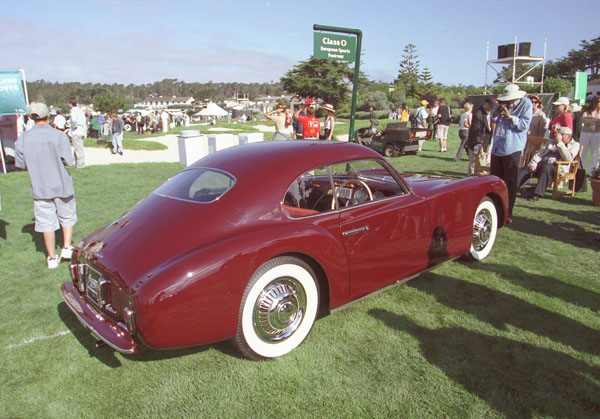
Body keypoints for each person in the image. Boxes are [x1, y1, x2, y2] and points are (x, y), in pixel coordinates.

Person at [14, 102, 77, 269]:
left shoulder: (23, 139)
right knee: (67, 215)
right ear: (48, 116)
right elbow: (68, 161)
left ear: (31, 117)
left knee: (45, 221)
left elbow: (20, 164)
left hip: (39, 185)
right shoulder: (58, 135)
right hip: (61, 182)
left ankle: (51, 257)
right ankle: (66, 247)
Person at [490, 84, 533, 220]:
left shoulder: (526, 104)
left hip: (512, 147)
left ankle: (507, 213)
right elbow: (492, 118)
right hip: (497, 147)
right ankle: (495, 209)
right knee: (495, 180)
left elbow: (523, 126)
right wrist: (497, 111)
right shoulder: (502, 103)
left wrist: (510, 116)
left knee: (509, 182)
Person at [517, 126, 580, 201]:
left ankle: (537, 195)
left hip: (557, 166)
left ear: (569, 136)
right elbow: (540, 153)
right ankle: (513, 188)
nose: (559, 136)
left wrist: (560, 143)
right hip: (543, 163)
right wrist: (533, 163)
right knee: (527, 167)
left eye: (562, 135)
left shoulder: (575, 145)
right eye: (559, 134)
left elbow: (568, 158)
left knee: (546, 168)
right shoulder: (552, 141)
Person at [465, 98, 494, 176]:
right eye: (491, 106)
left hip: (485, 141)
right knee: (474, 162)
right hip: (476, 141)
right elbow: (475, 131)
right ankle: (470, 179)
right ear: (486, 104)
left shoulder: (492, 113)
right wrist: (478, 143)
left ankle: (481, 178)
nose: (492, 108)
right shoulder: (478, 114)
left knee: (482, 162)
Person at [580, 96, 600, 173]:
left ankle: (593, 171)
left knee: (595, 153)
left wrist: (591, 120)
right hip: (586, 133)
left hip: (597, 133)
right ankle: (582, 170)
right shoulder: (587, 111)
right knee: (583, 152)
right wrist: (596, 120)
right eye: (598, 101)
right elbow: (584, 120)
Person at [67, 97, 87, 168]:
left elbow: (74, 121)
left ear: (70, 103)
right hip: (82, 131)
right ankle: (78, 163)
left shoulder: (73, 111)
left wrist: (72, 129)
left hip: (77, 131)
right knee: (79, 148)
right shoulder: (80, 111)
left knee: (78, 149)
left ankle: (80, 165)